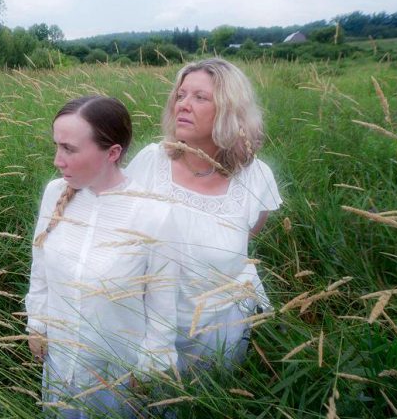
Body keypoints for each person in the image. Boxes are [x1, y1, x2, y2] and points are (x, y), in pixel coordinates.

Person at [25, 96, 179, 418]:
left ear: (112, 153)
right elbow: (40, 265)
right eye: (57, 146)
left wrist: (151, 367)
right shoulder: (55, 194)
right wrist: (37, 323)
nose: (57, 160)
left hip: (119, 371)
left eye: (69, 149)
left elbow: (163, 304)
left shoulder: (153, 212)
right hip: (61, 359)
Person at [125, 58, 282, 371]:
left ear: (229, 110)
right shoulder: (150, 162)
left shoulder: (256, 178)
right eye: (180, 95)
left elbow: (246, 238)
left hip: (218, 329)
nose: (183, 105)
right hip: (149, 324)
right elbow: (123, 236)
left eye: (200, 97)